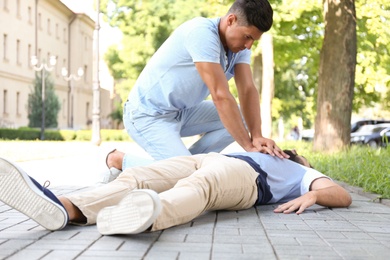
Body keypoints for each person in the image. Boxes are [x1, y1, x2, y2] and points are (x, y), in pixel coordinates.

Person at [0, 150, 352, 235]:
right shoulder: (260, 148)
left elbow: (342, 195)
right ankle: (65, 207)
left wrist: (315, 194)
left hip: (246, 178)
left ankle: (146, 217)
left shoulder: (302, 170)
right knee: (137, 176)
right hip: (209, 158)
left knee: (200, 188)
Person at [116, 0, 288, 174]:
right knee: (187, 173)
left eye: (254, 40)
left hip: (182, 112)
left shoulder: (239, 48)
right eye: (248, 37)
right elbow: (220, 96)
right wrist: (249, 147)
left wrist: (256, 135)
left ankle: (186, 166)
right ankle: (121, 160)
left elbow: (247, 90)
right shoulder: (202, 34)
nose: (249, 45)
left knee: (240, 119)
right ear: (230, 20)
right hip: (148, 115)